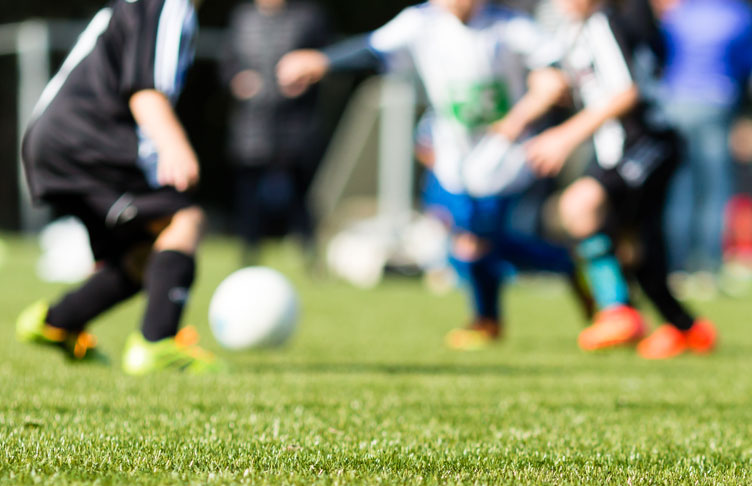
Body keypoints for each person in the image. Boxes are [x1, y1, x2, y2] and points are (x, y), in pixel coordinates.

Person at [277, 0, 590, 349]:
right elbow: (374, 50)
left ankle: (491, 316)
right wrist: (321, 62)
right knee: (466, 238)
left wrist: (538, 96)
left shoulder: (508, 26)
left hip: (503, 156)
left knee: (475, 240)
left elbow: (553, 69)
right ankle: (561, 266)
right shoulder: (421, 23)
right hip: (450, 157)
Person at [501, 0, 718, 358]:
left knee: (580, 206)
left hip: (645, 142)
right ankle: (686, 328)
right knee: (634, 245)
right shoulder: (576, 31)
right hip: (619, 149)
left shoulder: (605, 23)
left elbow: (625, 93)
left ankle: (618, 311)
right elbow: (567, 81)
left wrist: (564, 136)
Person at [17, 0, 222, 375]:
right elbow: (144, 89)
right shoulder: (169, 4)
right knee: (185, 220)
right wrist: (174, 144)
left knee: (143, 254)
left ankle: (56, 322)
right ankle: (157, 343)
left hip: (54, 141)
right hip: (88, 140)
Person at [223, 0, 328, 266]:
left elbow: (323, 58)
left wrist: (306, 79)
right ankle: (248, 254)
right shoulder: (243, 16)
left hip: (296, 122)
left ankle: (308, 252)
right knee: (248, 194)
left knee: (300, 193)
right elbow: (228, 61)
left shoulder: (308, 15)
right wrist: (238, 79)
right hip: (252, 122)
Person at [656, 0, 752, 282]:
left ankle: (677, 266)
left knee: (679, 189)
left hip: (674, 104)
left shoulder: (678, 14)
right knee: (714, 189)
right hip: (716, 102)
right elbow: (743, 66)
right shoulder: (738, 15)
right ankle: (707, 266)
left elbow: (663, 55)